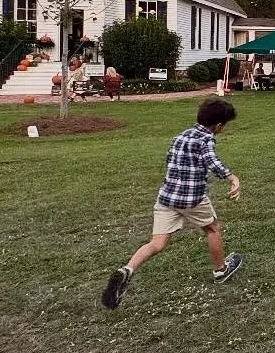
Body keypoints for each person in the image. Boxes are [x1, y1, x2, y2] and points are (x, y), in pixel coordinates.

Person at [101, 97, 243, 309]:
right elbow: (211, 161)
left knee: (157, 243)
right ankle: (220, 270)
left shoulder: (180, 136)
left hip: (167, 198)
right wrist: (232, 177)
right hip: (192, 199)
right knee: (212, 229)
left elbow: (170, 161)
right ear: (219, 125)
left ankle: (127, 270)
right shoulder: (206, 139)